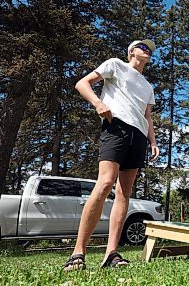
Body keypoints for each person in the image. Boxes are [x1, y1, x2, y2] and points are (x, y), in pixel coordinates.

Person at [63, 39, 160, 271]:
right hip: (116, 126)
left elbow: (147, 116)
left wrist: (153, 141)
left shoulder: (147, 85)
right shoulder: (115, 64)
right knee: (106, 182)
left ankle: (112, 253)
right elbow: (82, 83)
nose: (147, 51)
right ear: (131, 51)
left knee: (124, 193)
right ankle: (78, 252)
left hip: (138, 135)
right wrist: (97, 103)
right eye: (143, 47)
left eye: (150, 50)